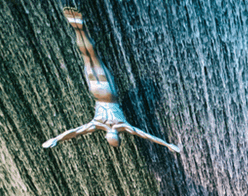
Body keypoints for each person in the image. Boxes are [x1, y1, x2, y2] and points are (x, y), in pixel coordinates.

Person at [43, 8, 180, 152]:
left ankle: (80, 28)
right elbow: (75, 132)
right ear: (106, 136)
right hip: (96, 91)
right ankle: (78, 29)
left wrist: (168, 145)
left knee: (93, 56)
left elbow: (146, 135)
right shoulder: (98, 124)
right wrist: (56, 139)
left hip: (108, 91)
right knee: (87, 58)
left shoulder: (121, 126)